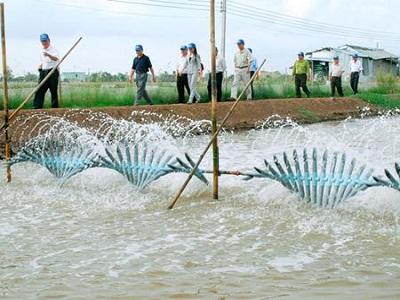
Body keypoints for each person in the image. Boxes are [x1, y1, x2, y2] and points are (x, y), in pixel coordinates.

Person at [33, 33, 60, 109]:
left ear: (49, 40)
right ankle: (37, 107)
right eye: (42, 41)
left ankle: (54, 108)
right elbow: (42, 61)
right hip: (43, 72)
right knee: (40, 89)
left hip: (53, 71)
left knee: (53, 90)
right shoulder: (41, 50)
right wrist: (40, 66)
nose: (44, 43)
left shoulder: (54, 50)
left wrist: (48, 55)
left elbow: (56, 59)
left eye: (45, 41)